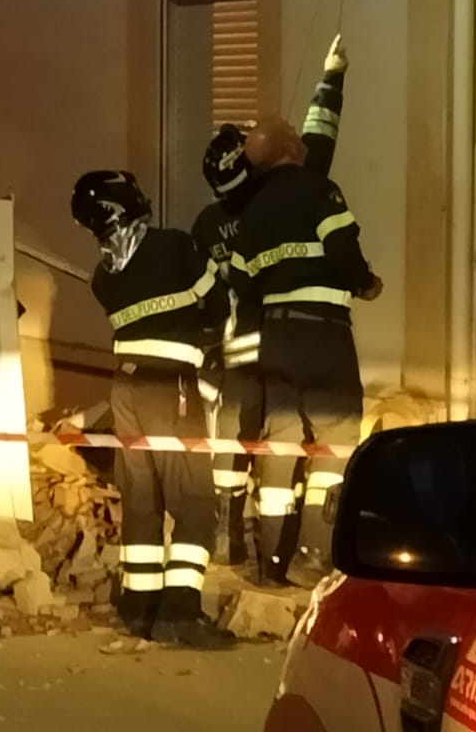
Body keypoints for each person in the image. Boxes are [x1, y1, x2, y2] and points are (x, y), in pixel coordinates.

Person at [193, 35, 350, 566]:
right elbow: (315, 140)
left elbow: (211, 295)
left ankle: (231, 537)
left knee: (245, 447)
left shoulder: (210, 224)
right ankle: (296, 551)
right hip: (287, 341)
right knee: (295, 442)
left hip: (241, 353)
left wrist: (205, 350)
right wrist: (331, 78)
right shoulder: (285, 196)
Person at [71, 170, 235, 649]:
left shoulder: (104, 278)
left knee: (142, 499)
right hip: (173, 387)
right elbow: (218, 303)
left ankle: (139, 605)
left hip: (127, 387)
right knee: (196, 499)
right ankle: (181, 609)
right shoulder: (176, 247)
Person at [228, 103, 382, 589]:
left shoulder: (249, 215)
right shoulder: (322, 192)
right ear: (293, 149)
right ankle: (314, 555)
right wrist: (366, 283)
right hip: (323, 334)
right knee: (335, 443)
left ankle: (272, 560)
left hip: (275, 338)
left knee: (279, 443)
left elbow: (242, 286)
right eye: (296, 133)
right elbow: (342, 249)